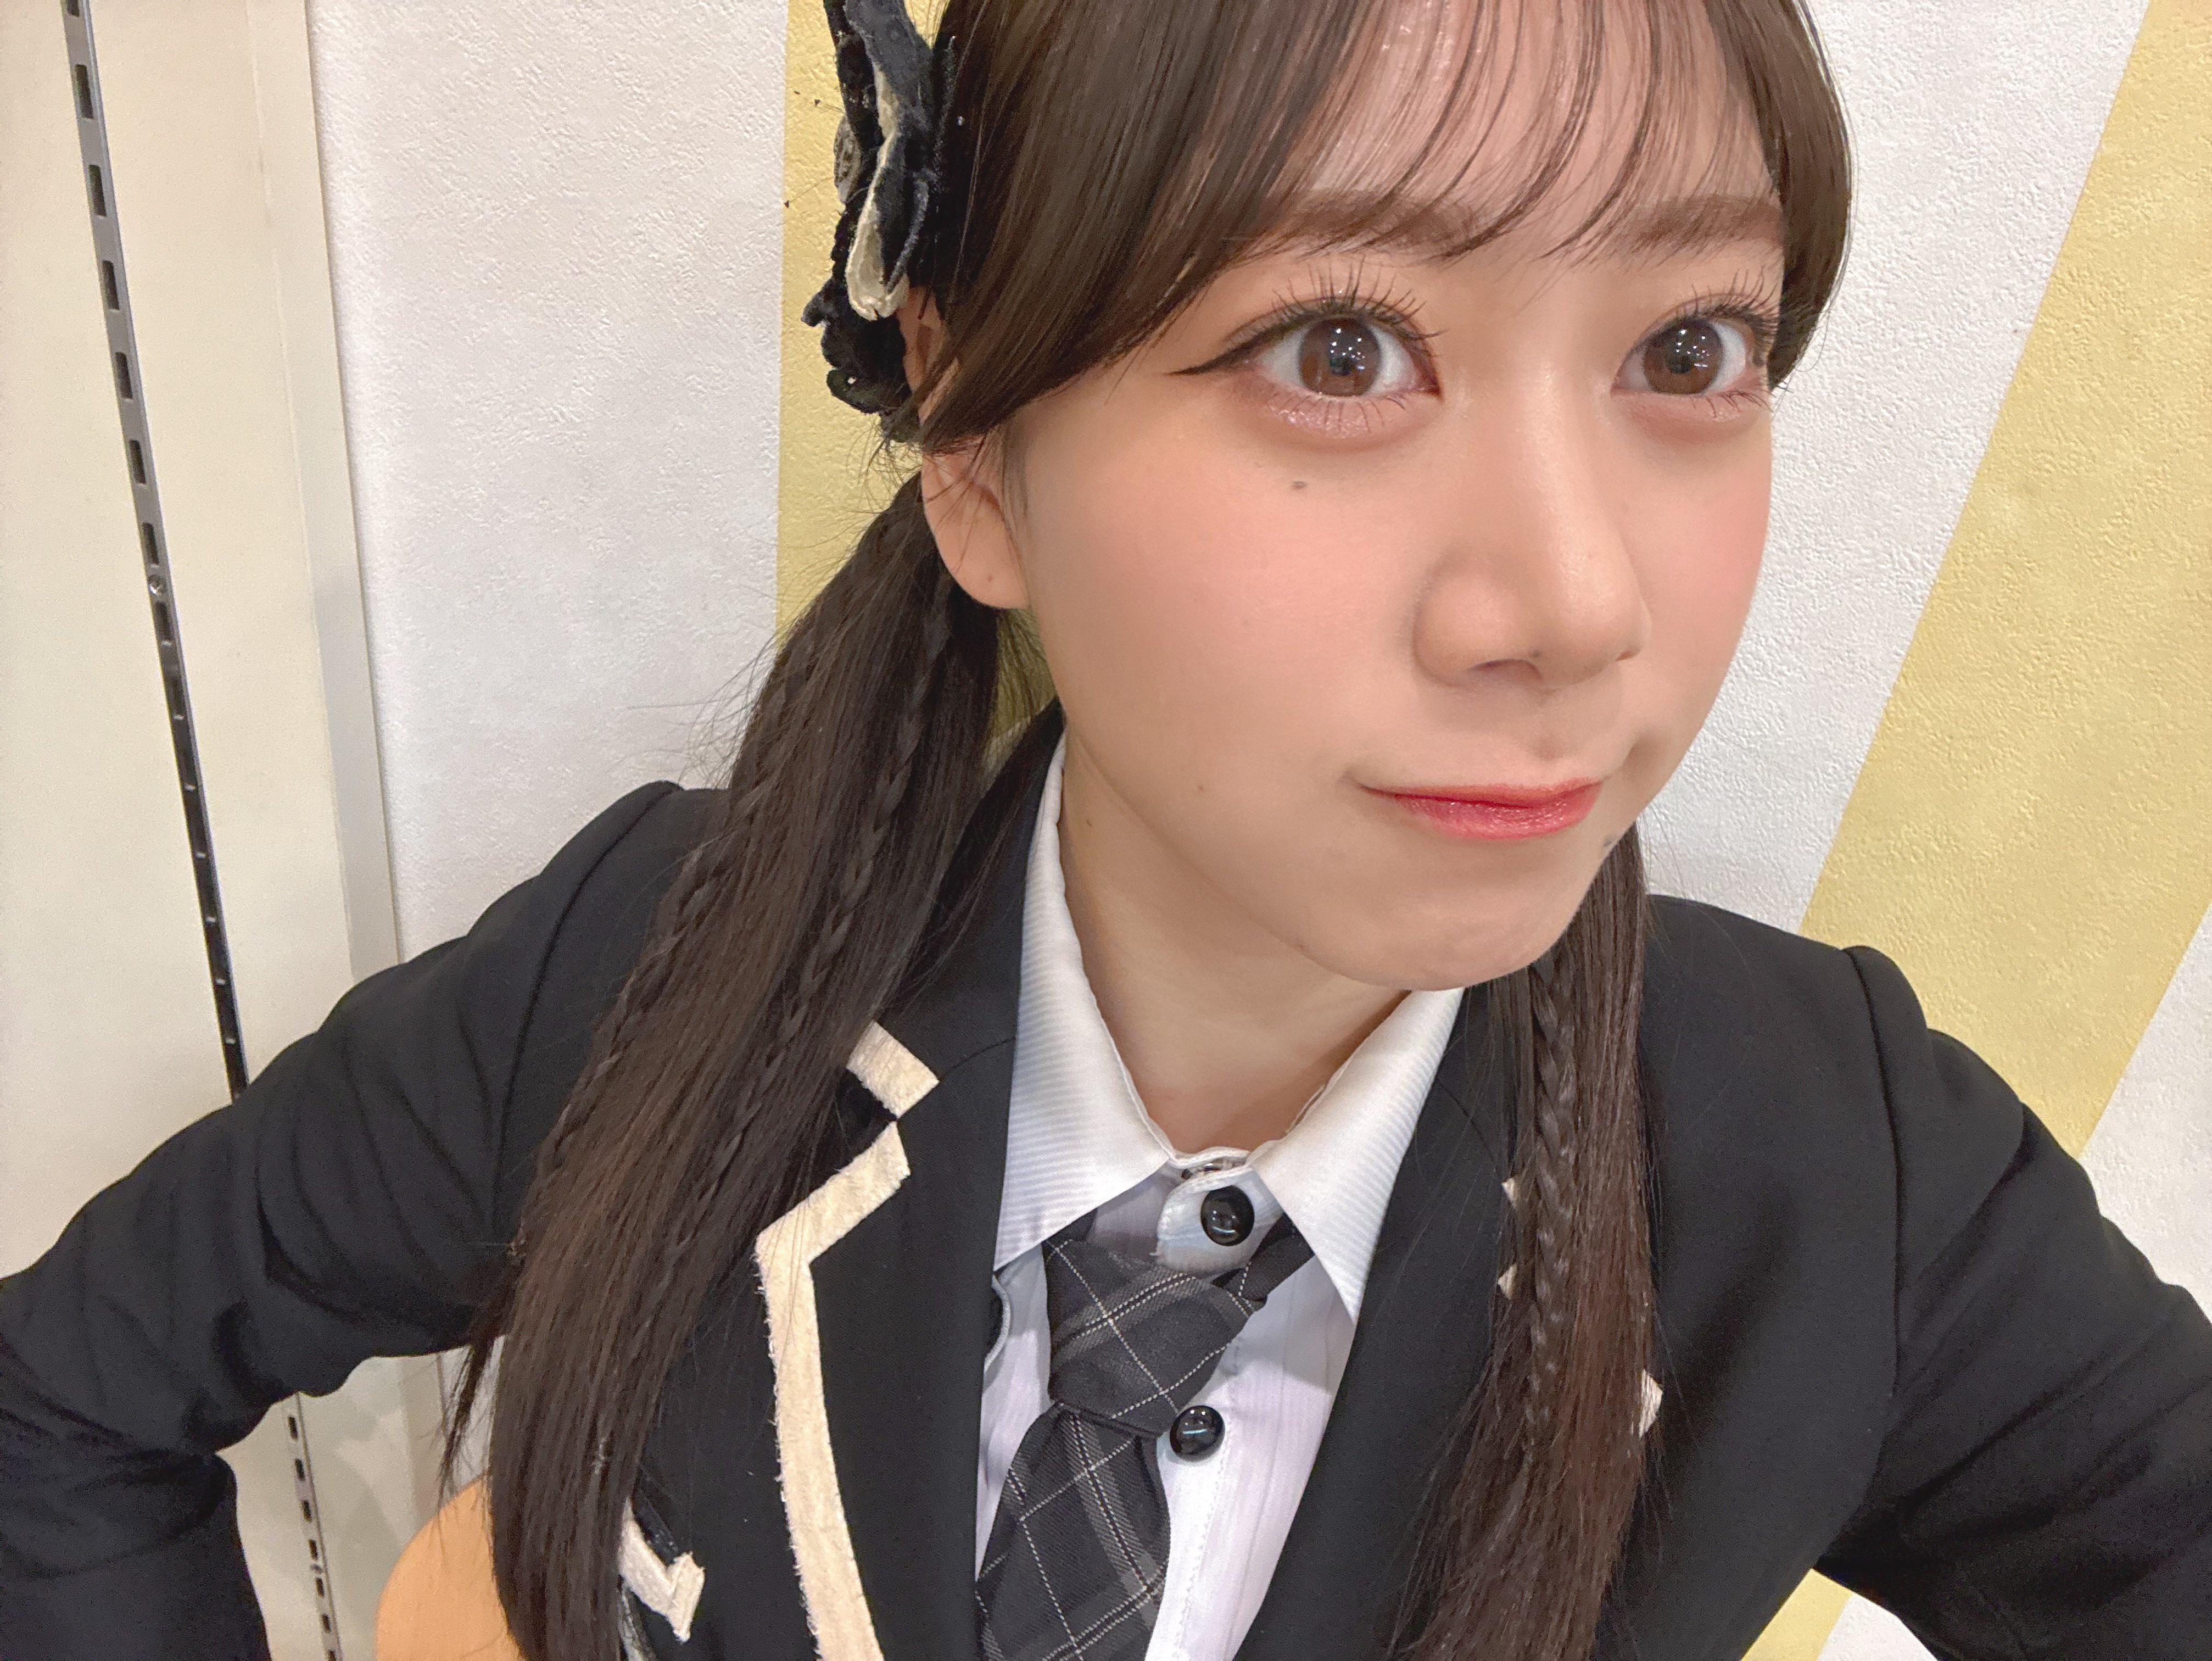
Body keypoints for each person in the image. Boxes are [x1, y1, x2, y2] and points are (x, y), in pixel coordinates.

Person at [4, 0, 2209, 1658]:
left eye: (1689, 347)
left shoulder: (1838, 1181)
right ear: (974, 454)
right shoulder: (641, 979)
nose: (1571, 604)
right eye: (1338, 349)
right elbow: (61, 1412)